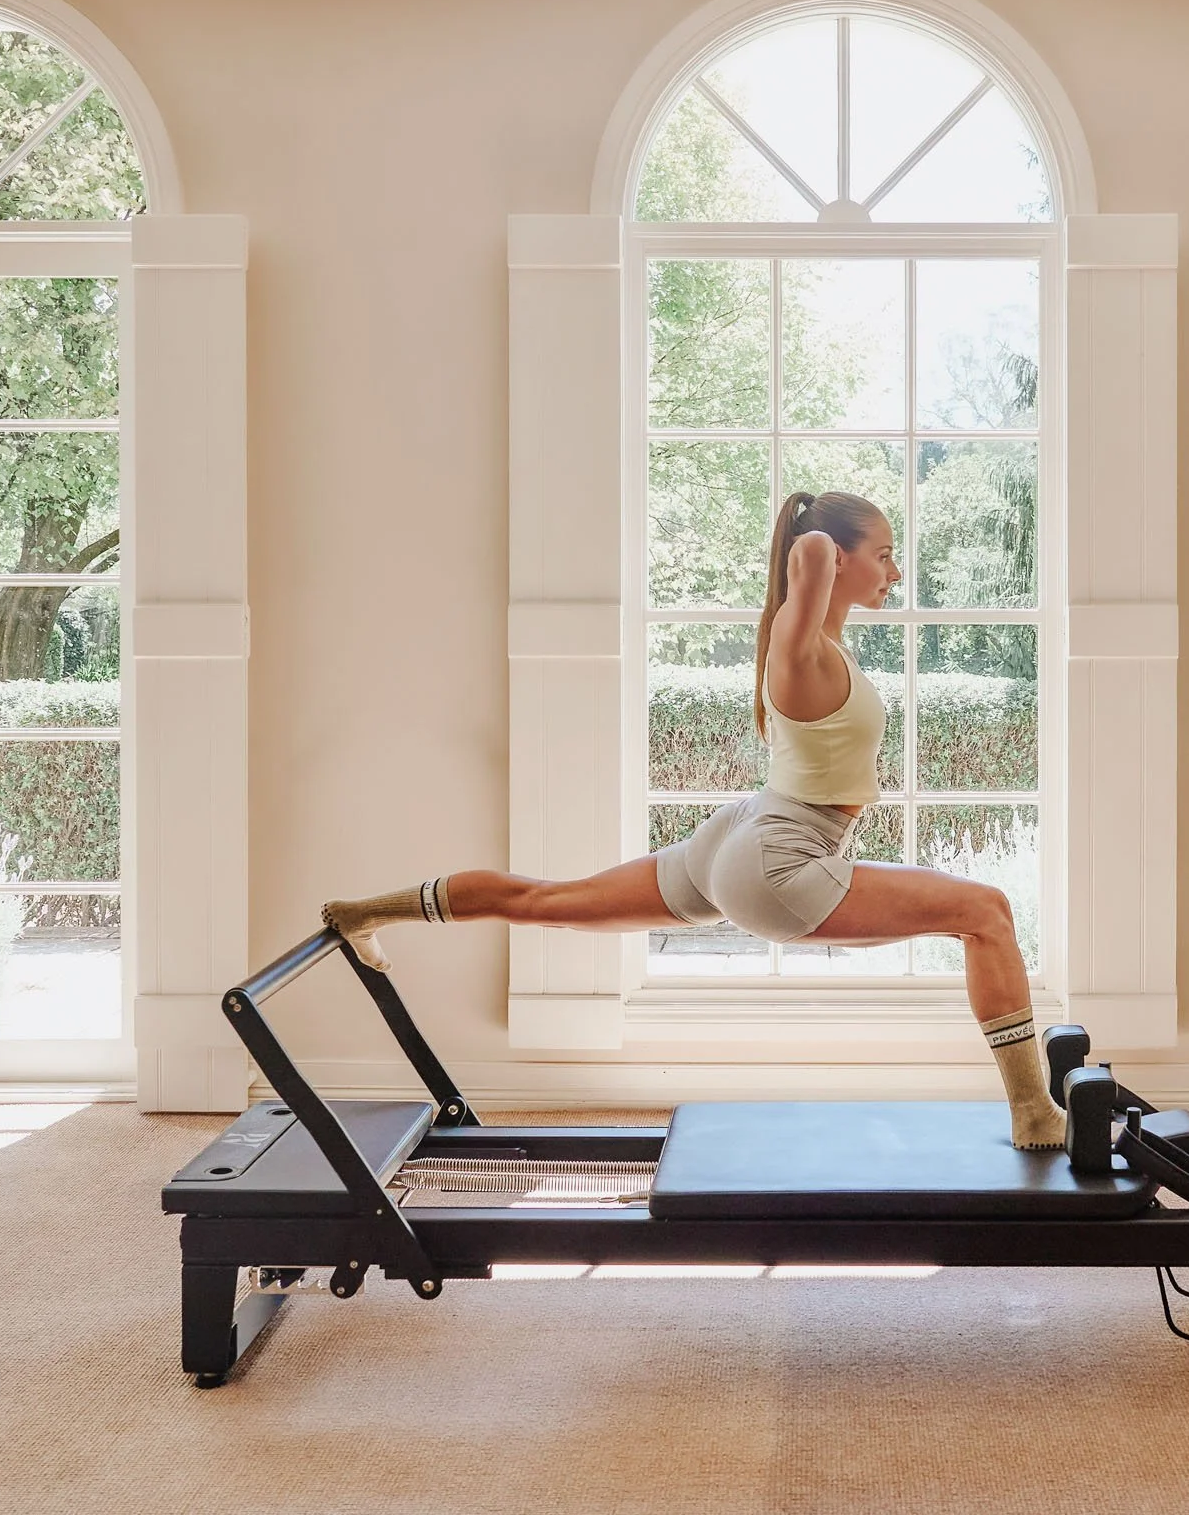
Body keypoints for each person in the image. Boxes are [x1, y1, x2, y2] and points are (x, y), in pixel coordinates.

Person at [324, 488, 1066, 1148]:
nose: (896, 572)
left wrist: (826, 546)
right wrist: (812, 533)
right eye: (884, 554)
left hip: (736, 836)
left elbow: (812, 568)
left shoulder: (819, 646)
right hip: (778, 857)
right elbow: (806, 553)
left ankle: (363, 913)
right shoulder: (797, 647)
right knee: (988, 912)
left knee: (544, 900)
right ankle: (1033, 1111)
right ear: (836, 558)